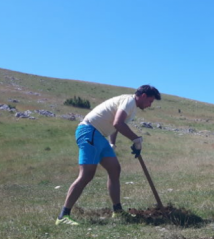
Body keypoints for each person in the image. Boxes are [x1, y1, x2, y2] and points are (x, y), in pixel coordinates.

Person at [55, 85, 161, 225]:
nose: (149, 105)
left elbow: (115, 125)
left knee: (114, 169)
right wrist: (136, 139)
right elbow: (118, 123)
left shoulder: (131, 107)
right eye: (150, 101)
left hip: (100, 136)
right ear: (143, 96)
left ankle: (117, 211)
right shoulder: (129, 101)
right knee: (86, 175)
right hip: (90, 131)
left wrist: (112, 144)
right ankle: (63, 216)